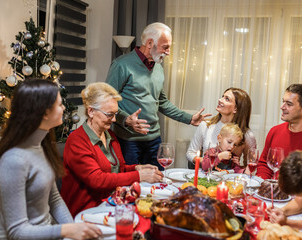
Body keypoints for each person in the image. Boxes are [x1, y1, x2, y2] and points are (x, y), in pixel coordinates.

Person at [0, 79, 102, 240]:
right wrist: (65, 231)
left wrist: (74, 230)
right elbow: (16, 232)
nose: (63, 108)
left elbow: (54, 199)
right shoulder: (13, 160)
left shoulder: (41, 145)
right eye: (60, 104)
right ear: (44, 112)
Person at [106, 22, 211, 169]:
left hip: (155, 139)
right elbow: (107, 101)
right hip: (128, 140)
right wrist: (126, 120)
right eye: (165, 47)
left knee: (158, 181)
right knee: (130, 184)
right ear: (150, 43)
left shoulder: (158, 68)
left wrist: (189, 118)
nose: (168, 52)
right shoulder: (121, 65)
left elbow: (162, 102)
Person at [60, 82, 164, 217]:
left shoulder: (109, 135)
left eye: (115, 114)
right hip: (86, 212)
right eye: (109, 114)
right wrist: (139, 176)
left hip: (111, 205)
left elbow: (118, 170)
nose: (114, 119)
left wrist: (137, 168)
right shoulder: (77, 140)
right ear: (91, 111)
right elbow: (98, 179)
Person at [186, 88, 257, 173]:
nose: (220, 100)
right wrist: (210, 161)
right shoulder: (205, 125)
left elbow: (250, 165)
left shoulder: (247, 135)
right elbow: (190, 153)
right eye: (222, 97)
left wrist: (236, 165)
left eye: (227, 99)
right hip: (206, 177)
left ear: (236, 109)